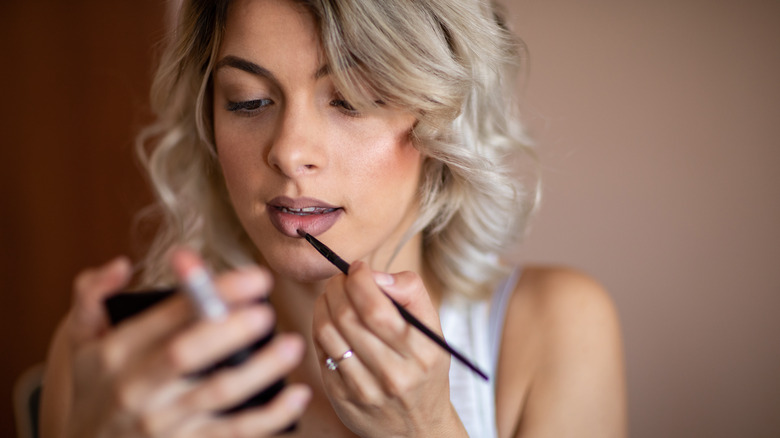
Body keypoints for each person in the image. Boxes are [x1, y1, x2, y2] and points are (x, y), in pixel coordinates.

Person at [39, 0, 627, 436]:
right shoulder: (112, 362)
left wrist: (426, 429)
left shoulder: (552, 329)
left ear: (443, 121)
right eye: (247, 100)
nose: (290, 152)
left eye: (349, 98)